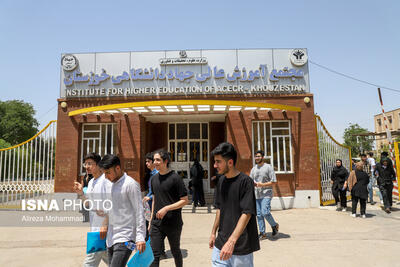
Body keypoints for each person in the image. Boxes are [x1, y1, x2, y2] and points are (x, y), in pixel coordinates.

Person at [209, 142, 260, 267]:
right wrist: (213, 232)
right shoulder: (221, 181)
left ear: (230, 163)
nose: (215, 165)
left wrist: (231, 242)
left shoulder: (245, 182)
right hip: (220, 244)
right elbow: (220, 209)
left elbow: (247, 213)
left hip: (241, 247)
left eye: (218, 162)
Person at [98, 154, 146, 267]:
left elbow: (139, 211)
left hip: (126, 237)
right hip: (111, 237)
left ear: (118, 168)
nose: (105, 176)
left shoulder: (130, 184)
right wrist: (104, 224)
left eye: (108, 172)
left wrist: (140, 237)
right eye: (104, 173)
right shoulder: (109, 184)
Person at [149, 149, 189, 267]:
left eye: (158, 160)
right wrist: (151, 221)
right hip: (157, 223)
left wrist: (167, 208)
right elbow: (155, 200)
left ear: (165, 161)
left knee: (175, 250)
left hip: (173, 222)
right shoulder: (153, 179)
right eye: (154, 160)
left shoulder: (175, 178)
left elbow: (185, 200)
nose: (155, 162)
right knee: (154, 254)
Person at [73, 153, 111, 267]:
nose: (87, 166)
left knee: (90, 262)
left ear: (99, 164)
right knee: (110, 259)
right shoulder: (90, 182)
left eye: (90, 164)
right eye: (86, 164)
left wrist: (105, 224)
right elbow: (89, 204)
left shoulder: (105, 181)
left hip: (104, 228)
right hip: (95, 228)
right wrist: (80, 193)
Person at [249, 150, 279, 240]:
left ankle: (274, 225)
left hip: (267, 194)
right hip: (257, 195)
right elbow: (250, 181)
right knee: (258, 215)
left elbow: (274, 182)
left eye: (258, 156)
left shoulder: (268, 167)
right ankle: (262, 233)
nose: (257, 158)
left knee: (264, 212)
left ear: (262, 157)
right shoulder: (253, 169)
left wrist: (262, 185)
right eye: (256, 156)